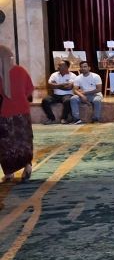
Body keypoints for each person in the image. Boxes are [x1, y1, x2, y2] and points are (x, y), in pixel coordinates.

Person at [1, 44, 34, 182]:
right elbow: (29, 90)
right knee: (23, 140)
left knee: (5, 143)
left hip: (3, 114)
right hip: (22, 113)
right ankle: (27, 166)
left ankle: (9, 173)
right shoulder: (20, 71)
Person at [42, 59, 76, 124]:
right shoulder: (54, 75)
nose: (58, 67)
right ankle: (51, 118)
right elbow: (50, 86)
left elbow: (69, 87)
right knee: (45, 100)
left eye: (60, 65)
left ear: (66, 67)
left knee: (68, 101)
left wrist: (56, 85)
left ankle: (64, 118)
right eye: (58, 65)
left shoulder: (73, 76)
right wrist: (63, 84)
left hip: (67, 94)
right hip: (56, 95)